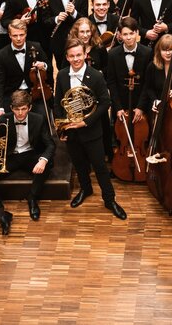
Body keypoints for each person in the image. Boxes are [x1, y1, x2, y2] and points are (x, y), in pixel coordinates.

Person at [54, 39, 127, 220]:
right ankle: (86, 189)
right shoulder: (62, 75)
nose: (76, 59)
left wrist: (85, 122)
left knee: (100, 167)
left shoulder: (96, 75)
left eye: (79, 55)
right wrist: (61, 127)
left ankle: (110, 200)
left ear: (85, 54)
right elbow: (57, 103)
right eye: (72, 56)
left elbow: (105, 103)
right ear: (67, 57)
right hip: (71, 130)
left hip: (91, 130)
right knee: (79, 165)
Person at [0, 90, 55, 233]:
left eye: (23, 109)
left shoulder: (39, 119)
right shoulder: (4, 119)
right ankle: (1, 214)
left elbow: (50, 144)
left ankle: (32, 198)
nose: (20, 113)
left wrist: (43, 160)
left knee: (47, 164)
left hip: (30, 154)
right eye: (16, 109)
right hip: (11, 156)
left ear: (29, 108)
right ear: (11, 108)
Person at [105, 17, 151, 167]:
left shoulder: (147, 52)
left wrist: (141, 107)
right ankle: (120, 164)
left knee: (142, 135)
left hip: (140, 102)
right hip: (121, 101)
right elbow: (111, 82)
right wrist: (117, 107)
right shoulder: (112, 54)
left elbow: (147, 84)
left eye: (131, 33)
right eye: (125, 34)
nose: (129, 37)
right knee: (119, 136)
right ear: (119, 35)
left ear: (137, 33)